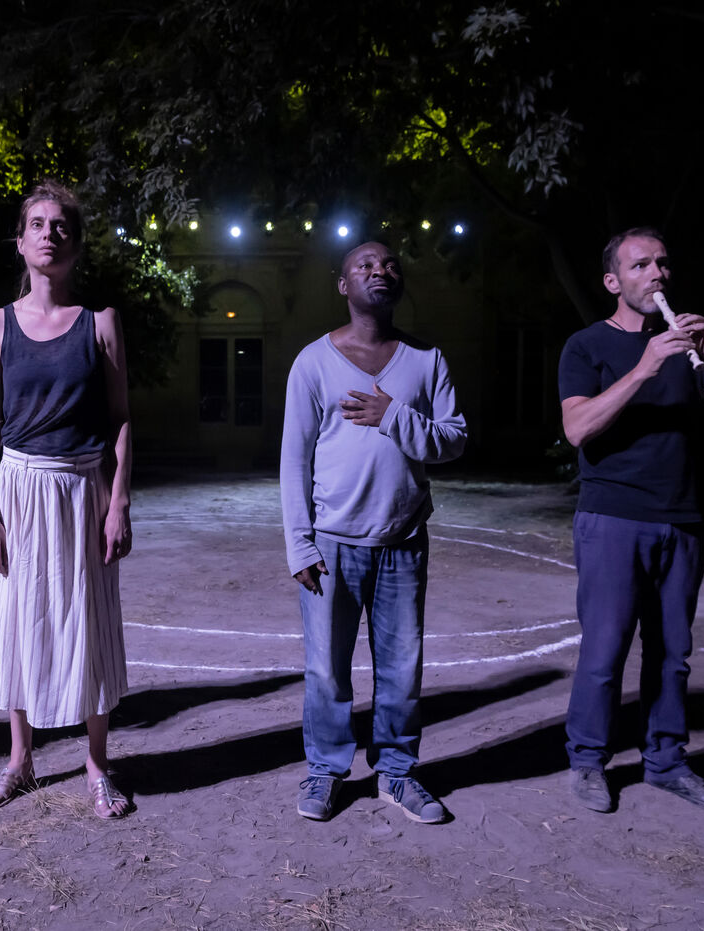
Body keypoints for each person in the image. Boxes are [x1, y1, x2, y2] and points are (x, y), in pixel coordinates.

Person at [558, 227, 704, 814]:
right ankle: (588, 761)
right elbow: (578, 428)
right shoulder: (587, 346)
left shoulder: (686, 345)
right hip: (614, 517)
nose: (658, 274)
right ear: (613, 281)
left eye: (663, 263)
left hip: (683, 518)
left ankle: (666, 762)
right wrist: (644, 367)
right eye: (641, 265)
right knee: (605, 649)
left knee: (672, 654)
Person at [280, 241, 468, 824]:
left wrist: (394, 415)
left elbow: (454, 440)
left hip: (402, 540)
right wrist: (298, 542)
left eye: (390, 264)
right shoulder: (313, 362)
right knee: (326, 670)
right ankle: (325, 770)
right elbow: (294, 459)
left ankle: (397, 772)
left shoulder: (426, 359)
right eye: (364, 265)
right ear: (343, 285)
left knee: (402, 669)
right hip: (331, 543)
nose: (379, 270)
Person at [0, 180, 134, 820]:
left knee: (86, 620)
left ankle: (96, 763)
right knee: (18, 619)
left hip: (82, 488)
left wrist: (118, 503)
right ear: (20, 242)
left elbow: (121, 419)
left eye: (61, 224)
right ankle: (21, 759)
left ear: (76, 243)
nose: (49, 234)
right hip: (19, 487)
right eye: (37, 224)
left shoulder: (101, 323)